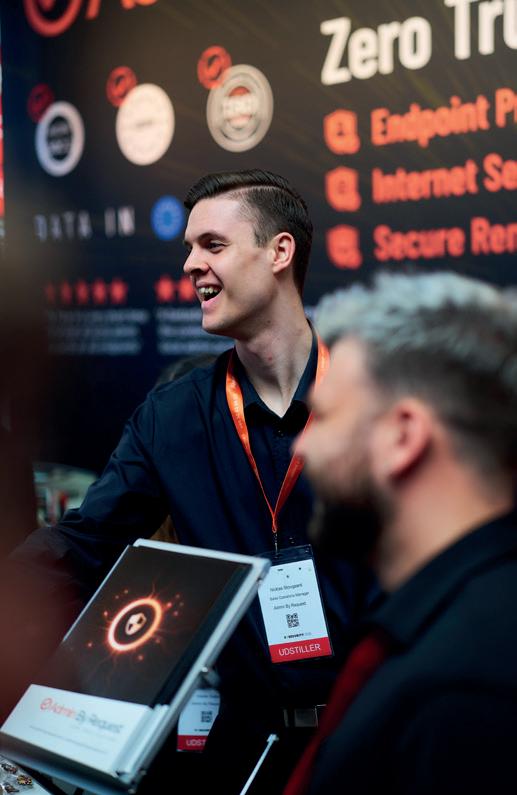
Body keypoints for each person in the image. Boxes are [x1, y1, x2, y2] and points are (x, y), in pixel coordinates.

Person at [7, 170, 374, 793]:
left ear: (279, 252)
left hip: (369, 737)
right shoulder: (172, 417)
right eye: (188, 248)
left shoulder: (374, 399)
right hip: (241, 749)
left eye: (213, 245)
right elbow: (85, 542)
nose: (190, 264)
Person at [285, 271, 517, 795]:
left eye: (323, 417)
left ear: (403, 436)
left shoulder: (465, 694)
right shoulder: (448, 630)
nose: (302, 448)